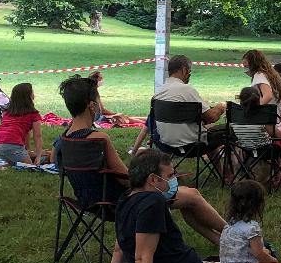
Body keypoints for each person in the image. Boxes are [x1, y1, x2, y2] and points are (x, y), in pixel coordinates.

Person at [58, 75, 226, 245]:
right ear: (92, 106)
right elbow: (126, 178)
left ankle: (222, 242)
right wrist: (154, 177)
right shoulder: (98, 138)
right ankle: (233, 235)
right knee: (193, 196)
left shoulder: (65, 138)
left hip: (88, 201)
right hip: (119, 202)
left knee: (186, 197)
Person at [94, 151, 271, 263]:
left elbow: (119, 248)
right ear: (153, 179)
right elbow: (142, 258)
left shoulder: (125, 200)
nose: (174, 180)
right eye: (170, 176)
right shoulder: (152, 203)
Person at [151, 55, 227, 163]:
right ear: (184, 70)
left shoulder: (158, 93)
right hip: (192, 145)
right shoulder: (186, 90)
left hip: (165, 144)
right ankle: (229, 172)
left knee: (207, 130)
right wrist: (220, 107)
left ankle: (221, 171)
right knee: (229, 130)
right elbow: (212, 117)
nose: (190, 74)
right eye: (189, 70)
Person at [0, 83, 46, 165]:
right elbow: (37, 136)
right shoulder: (34, 114)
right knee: (29, 166)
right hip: (12, 144)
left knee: (16, 163)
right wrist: (38, 155)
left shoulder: (7, 112)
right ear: (29, 96)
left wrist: (27, 151)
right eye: (32, 92)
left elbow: (25, 133)